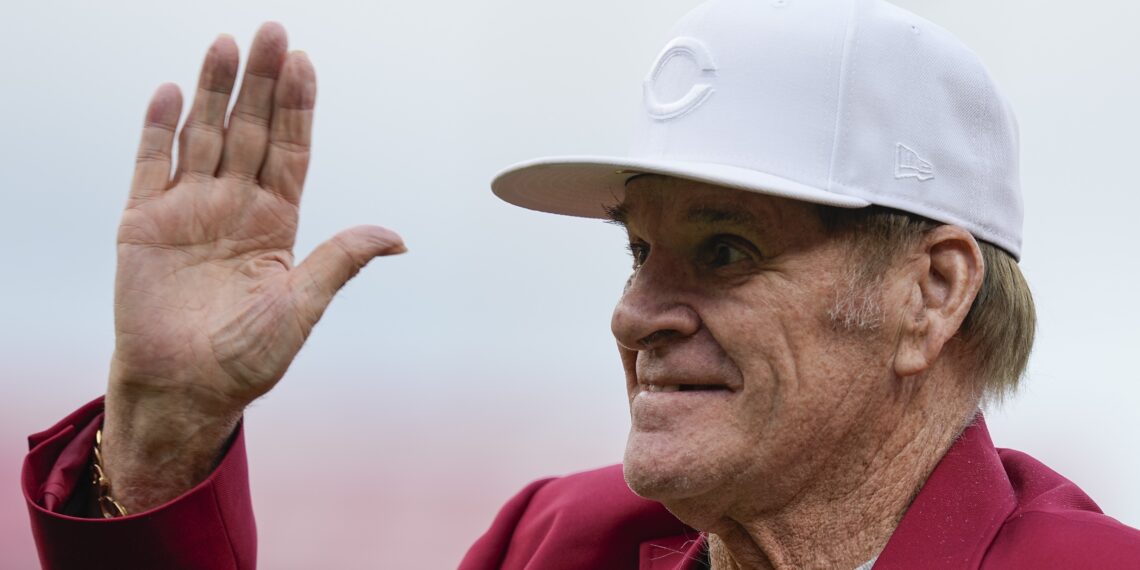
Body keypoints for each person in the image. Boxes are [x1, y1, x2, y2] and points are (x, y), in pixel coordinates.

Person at [20, 0, 1140, 568]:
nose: (635, 313)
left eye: (728, 250)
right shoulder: (557, 542)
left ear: (931, 294)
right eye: (638, 250)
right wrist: (166, 435)